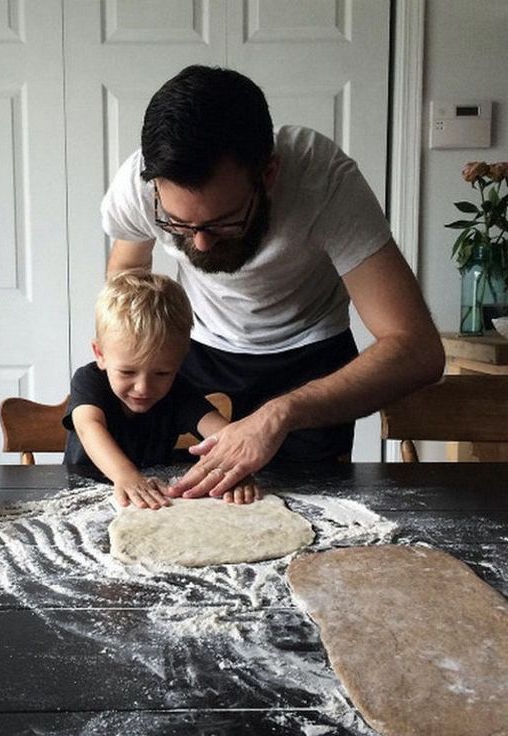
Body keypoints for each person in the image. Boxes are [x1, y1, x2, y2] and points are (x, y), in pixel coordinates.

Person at [100, 65, 445, 500]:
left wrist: (280, 413)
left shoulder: (324, 181)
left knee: (309, 515)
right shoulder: (141, 183)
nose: (201, 246)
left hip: (311, 362)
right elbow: (127, 283)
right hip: (196, 356)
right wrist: (129, 364)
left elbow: (418, 349)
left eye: (223, 222)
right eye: (181, 226)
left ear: (268, 175)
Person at [63, 270, 260, 509]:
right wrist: (125, 476)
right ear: (100, 355)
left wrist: (235, 470)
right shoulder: (89, 380)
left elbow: (223, 435)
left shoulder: (179, 390)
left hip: (154, 502)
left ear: (180, 360)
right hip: (82, 501)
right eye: (127, 372)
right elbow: (88, 428)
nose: (143, 387)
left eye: (162, 373)